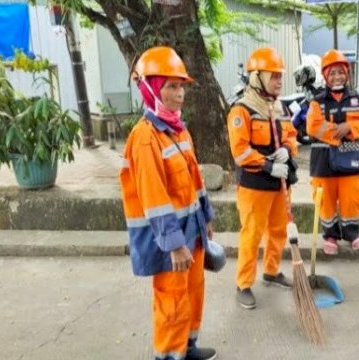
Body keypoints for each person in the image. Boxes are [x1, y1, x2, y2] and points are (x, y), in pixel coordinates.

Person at [119, 46, 217, 360]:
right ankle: (169, 356)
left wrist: (207, 218)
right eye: (171, 86)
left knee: (193, 293)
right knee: (172, 302)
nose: (180, 93)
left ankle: (186, 348)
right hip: (170, 240)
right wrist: (174, 244)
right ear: (150, 89)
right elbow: (154, 197)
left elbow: (194, 179)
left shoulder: (178, 129)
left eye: (181, 86)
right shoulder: (146, 137)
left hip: (193, 231)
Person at [226, 47, 299, 309]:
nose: (279, 81)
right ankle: (243, 284)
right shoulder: (241, 110)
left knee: (278, 231)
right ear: (257, 77)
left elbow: (291, 137)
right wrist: (268, 165)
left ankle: (271, 271)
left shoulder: (280, 108)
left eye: (280, 76)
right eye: (274, 76)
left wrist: (287, 150)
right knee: (252, 234)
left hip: (280, 184)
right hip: (255, 184)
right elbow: (240, 152)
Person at [306, 49, 359, 255]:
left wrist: (350, 128)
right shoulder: (316, 102)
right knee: (325, 198)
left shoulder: (358, 100)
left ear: (347, 74)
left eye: (341, 72)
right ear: (325, 76)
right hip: (323, 161)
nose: (337, 77)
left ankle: (352, 234)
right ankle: (330, 235)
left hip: (351, 158)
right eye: (332, 73)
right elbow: (312, 126)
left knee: (352, 197)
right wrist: (338, 132)